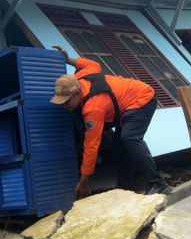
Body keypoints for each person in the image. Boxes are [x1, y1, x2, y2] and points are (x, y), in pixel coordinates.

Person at [49, 45, 173, 198]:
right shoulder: (81, 78)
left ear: (77, 92)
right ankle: (126, 185)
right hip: (125, 105)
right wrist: (68, 60)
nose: (64, 106)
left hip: (142, 98)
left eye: (67, 102)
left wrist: (84, 181)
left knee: (130, 138)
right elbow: (93, 65)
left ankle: (159, 185)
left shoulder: (93, 108)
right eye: (61, 102)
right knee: (119, 143)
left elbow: (92, 146)